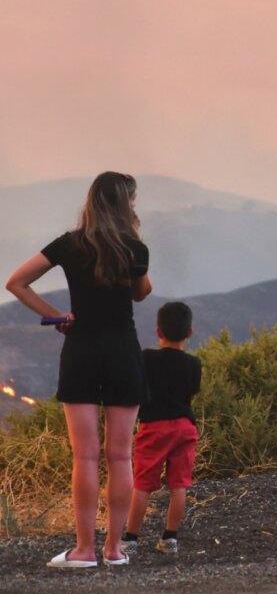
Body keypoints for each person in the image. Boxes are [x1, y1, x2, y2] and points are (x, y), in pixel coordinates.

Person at [4, 171, 152, 568]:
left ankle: (84, 551)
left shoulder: (70, 244)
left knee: (85, 457)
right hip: (123, 350)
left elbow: (16, 282)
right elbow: (141, 292)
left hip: (82, 348)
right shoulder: (135, 249)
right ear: (125, 205)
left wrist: (56, 317)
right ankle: (115, 550)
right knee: (121, 457)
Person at [121, 301, 201, 556]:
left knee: (143, 484)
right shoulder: (194, 363)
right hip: (185, 427)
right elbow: (192, 392)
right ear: (189, 332)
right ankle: (170, 539)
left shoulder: (147, 358)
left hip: (154, 427)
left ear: (158, 332)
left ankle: (131, 539)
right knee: (179, 485)